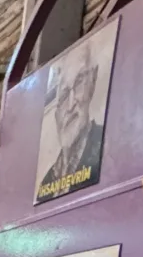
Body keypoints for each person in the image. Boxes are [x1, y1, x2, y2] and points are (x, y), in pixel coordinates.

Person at [39, 45, 107, 198]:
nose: (70, 105)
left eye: (79, 82)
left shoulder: (105, 145)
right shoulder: (46, 183)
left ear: (93, 80)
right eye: (63, 96)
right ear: (56, 115)